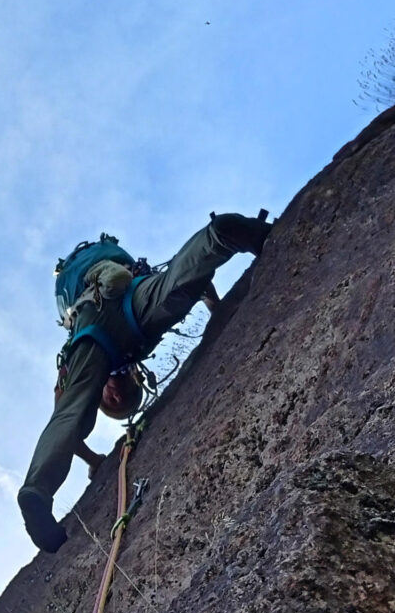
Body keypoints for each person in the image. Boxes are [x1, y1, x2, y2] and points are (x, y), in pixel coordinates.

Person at [18, 211, 272, 552]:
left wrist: (218, 311)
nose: (110, 392)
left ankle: (220, 236)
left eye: (112, 398)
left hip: (115, 304)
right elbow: (67, 417)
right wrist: (94, 460)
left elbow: (65, 415)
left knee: (173, 293)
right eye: (114, 396)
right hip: (105, 310)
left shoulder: (85, 360)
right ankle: (37, 492)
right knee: (173, 293)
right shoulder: (83, 360)